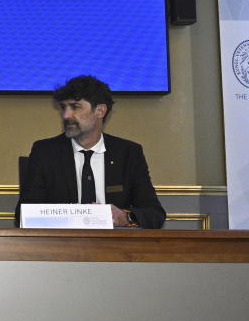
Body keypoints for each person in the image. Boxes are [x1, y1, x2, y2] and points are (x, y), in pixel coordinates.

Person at [16, 75, 165, 228]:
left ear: (100, 110)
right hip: (61, 246)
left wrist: (126, 217)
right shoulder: (45, 152)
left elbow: (154, 214)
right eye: (64, 107)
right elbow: (24, 213)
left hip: (115, 247)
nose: (66, 115)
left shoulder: (128, 153)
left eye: (75, 106)